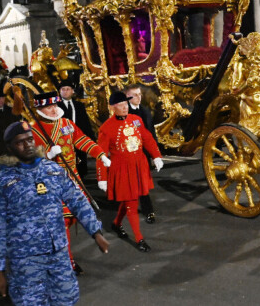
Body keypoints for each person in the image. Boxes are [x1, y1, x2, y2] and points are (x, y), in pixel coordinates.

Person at [0, 121, 110, 305]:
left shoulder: (52, 170)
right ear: (9, 147)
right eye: (20, 142)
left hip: (57, 253)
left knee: (67, 298)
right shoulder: (2, 181)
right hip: (25, 259)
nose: (28, 145)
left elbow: (77, 200)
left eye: (30, 140)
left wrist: (96, 232)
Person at [31, 90, 110, 273]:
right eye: (48, 107)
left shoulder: (66, 123)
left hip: (72, 180)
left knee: (77, 217)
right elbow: (27, 161)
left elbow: (81, 140)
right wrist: (46, 156)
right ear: (40, 108)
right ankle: (68, 261)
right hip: (51, 185)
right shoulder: (33, 130)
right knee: (61, 224)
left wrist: (100, 154)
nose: (53, 109)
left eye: (54, 105)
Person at [98, 91, 163, 252]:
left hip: (138, 166)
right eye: (121, 105)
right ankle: (139, 238)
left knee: (128, 199)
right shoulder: (106, 128)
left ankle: (116, 224)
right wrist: (102, 178)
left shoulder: (136, 120)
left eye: (126, 104)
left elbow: (147, 138)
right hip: (121, 169)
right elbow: (100, 154)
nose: (125, 107)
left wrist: (156, 156)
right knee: (131, 203)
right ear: (113, 107)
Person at [124, 83, 158, 224]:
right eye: (135, 94)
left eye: (140, 94)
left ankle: (147, 209)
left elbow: (151, 133)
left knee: (142, 183)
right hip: (129, 154)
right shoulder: (123, 113)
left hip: (143, 154)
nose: (139, 97)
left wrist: (155, 155)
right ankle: (140, 209)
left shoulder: (145, 111)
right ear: (128, 96)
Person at [57, 78, 95, 179]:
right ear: (60, 91)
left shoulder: (79, 106)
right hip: (64, 141)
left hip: (78, 140)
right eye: (63, 89)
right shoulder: (56, 107)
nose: (65, 91)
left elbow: (85, 123)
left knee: (81, 169)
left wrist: (91, 139)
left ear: (72, 91)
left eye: (68, 89)